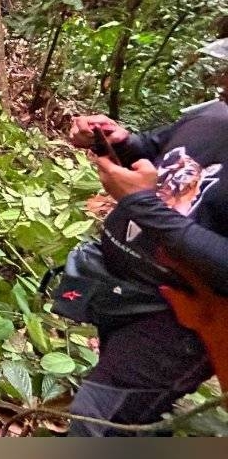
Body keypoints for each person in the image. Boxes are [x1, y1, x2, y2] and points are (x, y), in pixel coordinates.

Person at [66, 56, 228, 435]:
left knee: (96, 422)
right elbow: (161, 149)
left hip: (185, 320)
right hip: (128, 290)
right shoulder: (214, 116)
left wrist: (143, 205)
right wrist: (119, 142)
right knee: (126, 419)